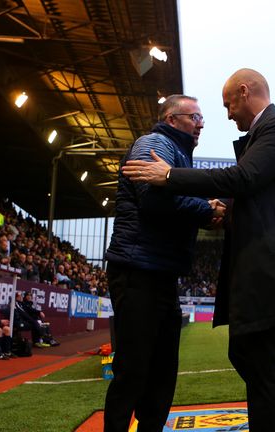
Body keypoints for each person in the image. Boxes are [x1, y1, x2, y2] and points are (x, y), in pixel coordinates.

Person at [122, 69, 275, 431]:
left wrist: (171, 177)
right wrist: (219, 207)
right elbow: (254, 190)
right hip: (263, 269)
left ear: (244, 91)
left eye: (228, 105)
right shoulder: (262, 135)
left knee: (260, 362)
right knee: (248, 356)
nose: (226, 115)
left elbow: (245, 178)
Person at [103, 94, 225, 432]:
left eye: (202, 119)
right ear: (172, 119)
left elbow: (173, 198)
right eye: (195, 117)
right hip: (137, 269)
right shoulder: (153, 143)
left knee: (162, 370)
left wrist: (204, 207)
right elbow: (153, 198)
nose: (201, 124)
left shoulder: (179, 157)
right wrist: (206, 209)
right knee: (134, 368)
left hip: (161, 273)